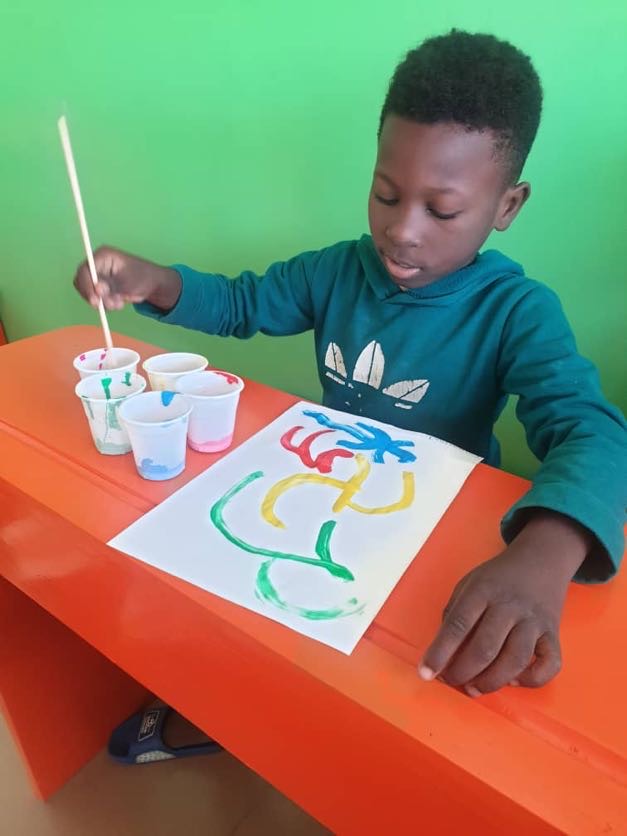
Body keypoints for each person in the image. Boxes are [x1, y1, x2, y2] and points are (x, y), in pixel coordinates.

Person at [74, 29, 626, 698]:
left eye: (442, 210)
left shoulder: (517, 311)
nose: (403, 230)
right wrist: (153, 281)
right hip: (325, 500)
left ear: (506, 205)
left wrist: (543, 553)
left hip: (436, 538)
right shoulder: (335, 271)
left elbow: (593, 434)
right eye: (386, 196)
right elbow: (241, 303)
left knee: (394, 685)